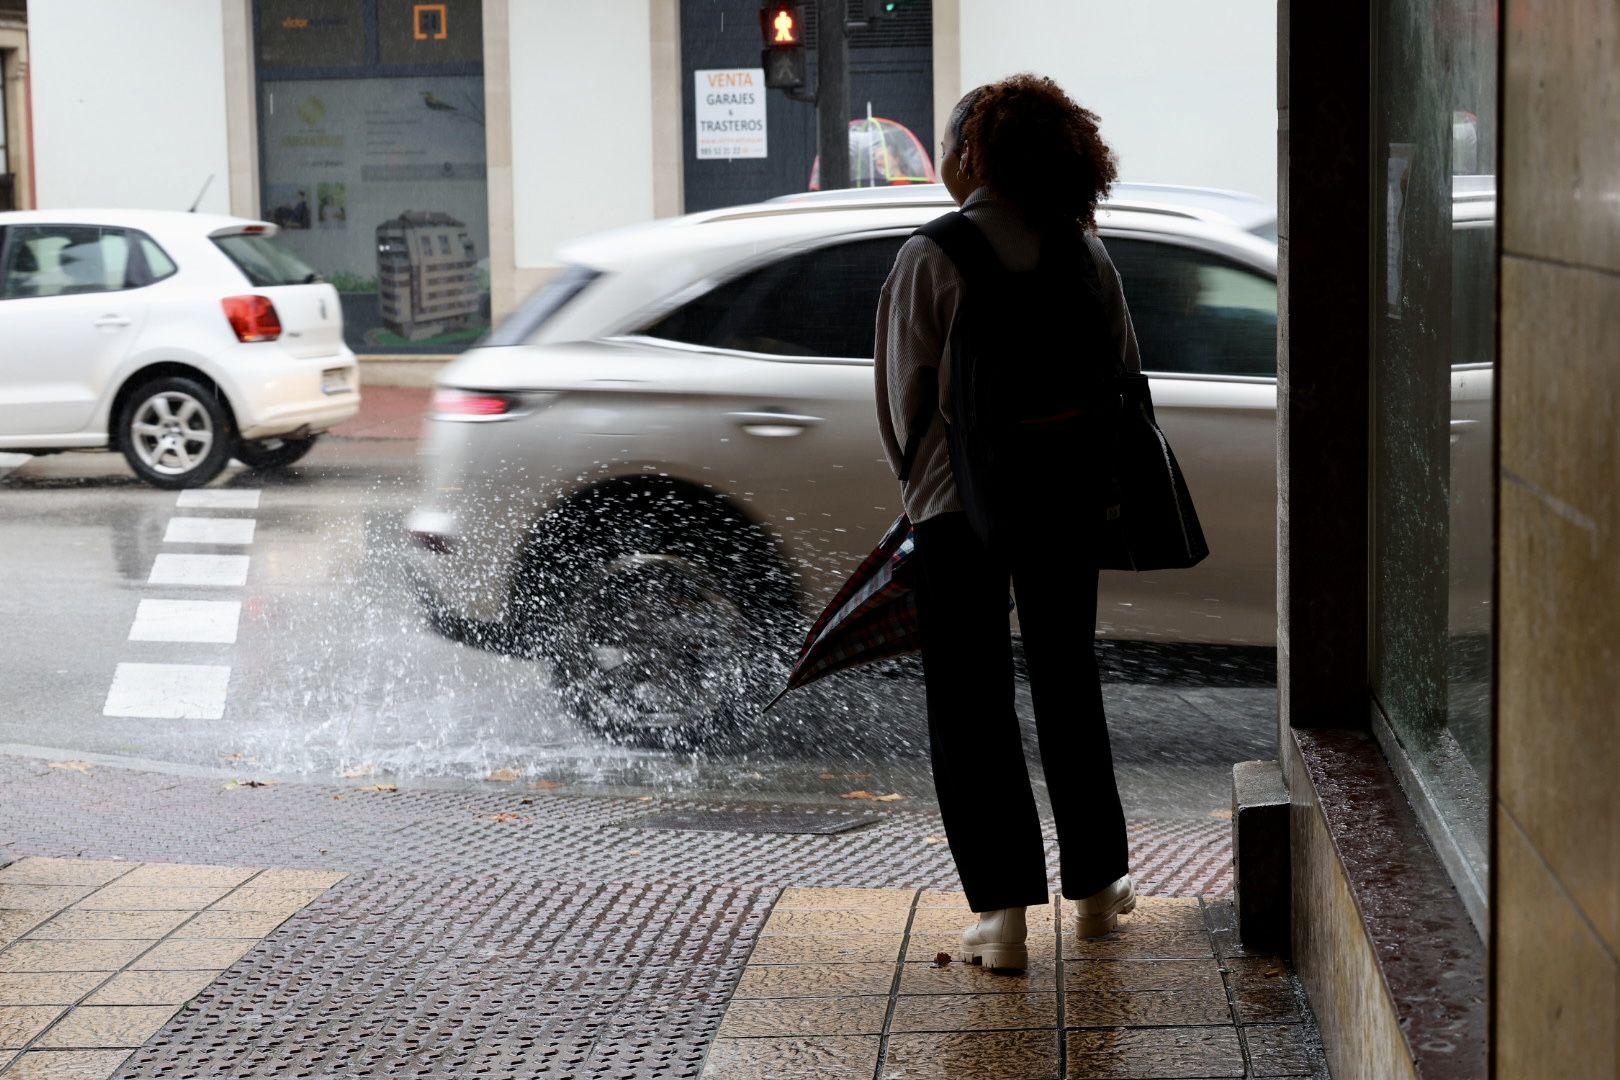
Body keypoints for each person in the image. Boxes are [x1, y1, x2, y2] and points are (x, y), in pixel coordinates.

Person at [874, 75, 1141, 971]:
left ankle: (1003, 917)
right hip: (1066, 506)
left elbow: (903, 404)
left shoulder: (933, 254)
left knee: (969, 701)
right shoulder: (1082, 252)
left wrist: (923, 500)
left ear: (970, 156)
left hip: (958, 511)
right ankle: (1100, 892)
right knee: (1069, 681)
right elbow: (1122, 374)